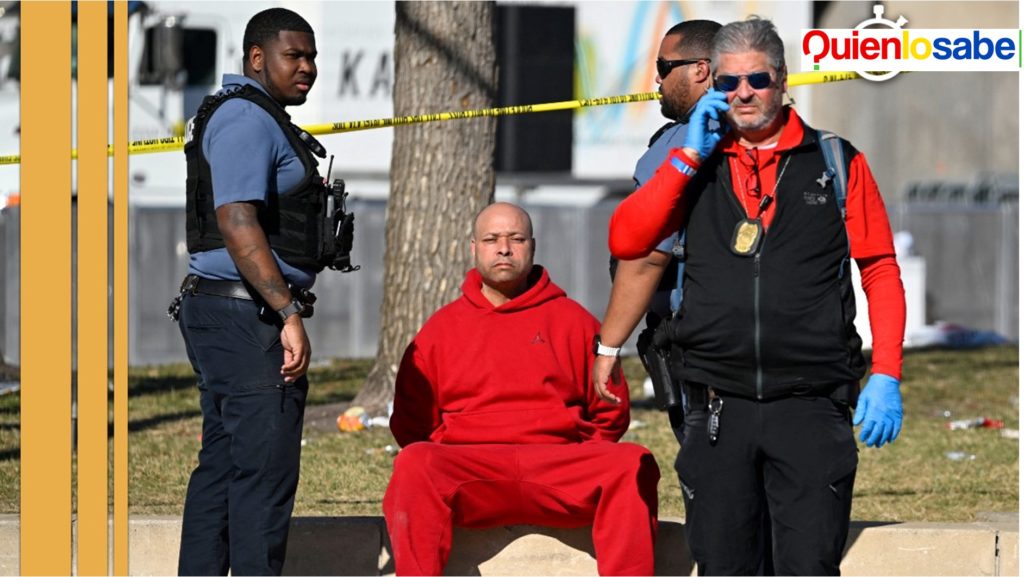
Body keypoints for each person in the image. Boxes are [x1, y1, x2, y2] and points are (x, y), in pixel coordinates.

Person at [597, 17, 906, 576]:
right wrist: (687, 156)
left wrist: (885, 372)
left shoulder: (836, 162)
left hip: (811, 401)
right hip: (716, 402)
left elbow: (879, 268)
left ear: (782, 80)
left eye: (757, 79)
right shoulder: (691, 162)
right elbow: (630, 241)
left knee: (808, 565)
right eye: (727, 82)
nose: (742, 93)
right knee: (724, 565)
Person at [383, 203, 661, 576]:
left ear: (532, 246)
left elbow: (611, 412)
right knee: (415, 465)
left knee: (631, 463)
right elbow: (412, 424)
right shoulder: (440, 330)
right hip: (472, 474)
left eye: (516, 239)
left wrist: (574, 450)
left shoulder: (575, 321)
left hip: (559, 469)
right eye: (492, 239)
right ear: (473, 248)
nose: (504, 248)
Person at [172, 8, 325, 575]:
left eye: (311, 57)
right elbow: (237, 221)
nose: (307, 67)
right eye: (295, 56)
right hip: (246, 314)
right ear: (257, 58)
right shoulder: (245, 118)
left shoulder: (259, 115)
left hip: (231, 309)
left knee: (226, 464)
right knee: (263, 472)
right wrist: (285, 310)